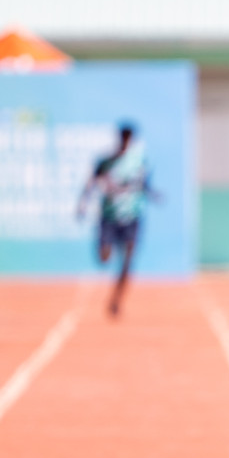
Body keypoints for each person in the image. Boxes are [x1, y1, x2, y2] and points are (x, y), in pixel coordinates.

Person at [77, 122, 155, 318]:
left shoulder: (140, 162)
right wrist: (83, 203)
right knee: (105, 257)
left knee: (128, 259)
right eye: (123, 137)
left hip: (132, 216)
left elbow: (145, 184)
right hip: (110, 216)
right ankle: (103, 248)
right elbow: (92, 181)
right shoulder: (106, 161)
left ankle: (116, 299)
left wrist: (152, 193)